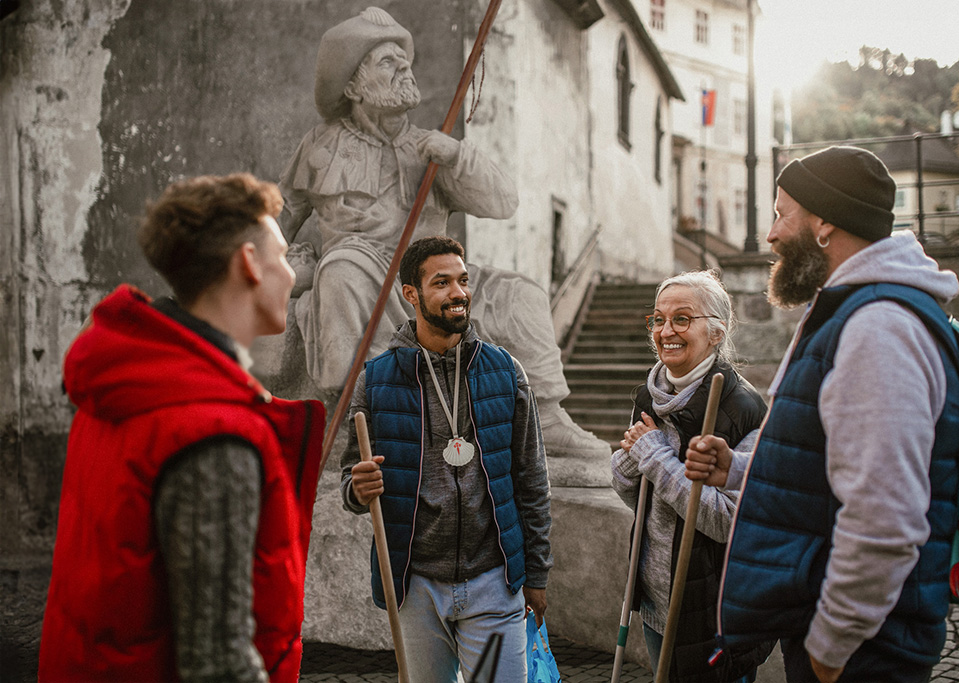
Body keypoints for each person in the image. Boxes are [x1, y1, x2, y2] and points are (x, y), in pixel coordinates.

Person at [278, 6, 609, 466]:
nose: (404, 68)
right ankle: (377, 412)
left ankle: (547, 417)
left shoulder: (431, 148)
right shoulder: (319, 145)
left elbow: (502, 203)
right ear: (354, 85)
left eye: (404, 59)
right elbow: (278, 218)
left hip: (431, 275)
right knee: (341, 269)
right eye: (387, 62)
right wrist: (286, 266)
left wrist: (457, 156)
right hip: (361, 273)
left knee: (520, 293)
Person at [684, 146, 959, 683]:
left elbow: (885, 515)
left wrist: (830, 648)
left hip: (862, 652)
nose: (769, 234)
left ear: (823, 222)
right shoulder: (856, 311)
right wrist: (739, 469)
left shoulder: (878, 327)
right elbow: (833, 462)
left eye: (779, 212)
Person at [38, 174, 326, 682]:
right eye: (281, 256)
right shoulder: (210, 430)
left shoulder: (121, 391)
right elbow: (218, 665)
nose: (292, 273)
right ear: (248, 264)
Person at [339, 235, 553, 682]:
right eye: (442, 283)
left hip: (495, 581)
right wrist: (357, 490)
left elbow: (531, 479)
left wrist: (536, 571)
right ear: (411, 295)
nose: (459, 293)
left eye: (463, 280)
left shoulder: (505, 370)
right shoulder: (377, 381)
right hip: (416, 586)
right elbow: (351, 479)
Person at [611, 271, 772, 682]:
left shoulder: (745, 410)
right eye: (658, 320)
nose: (666, 331)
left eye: (682, 319)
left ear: (716, 332)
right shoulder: (651, 394)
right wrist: (634, 461)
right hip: (656, 600)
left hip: (715, 606)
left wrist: (653, 455)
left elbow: (725, 521)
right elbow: (637, 495)